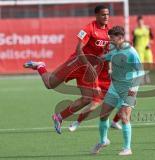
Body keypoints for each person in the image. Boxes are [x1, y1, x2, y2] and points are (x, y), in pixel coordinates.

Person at [23, 5, 121, 134]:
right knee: (49, 84)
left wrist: (109, 67)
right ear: (96, 15)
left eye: (108, 14)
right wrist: (89, 65)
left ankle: (59, 117)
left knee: (87, 98)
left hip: (87, 69)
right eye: (103, 14)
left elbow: (107, 53)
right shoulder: (89, 29)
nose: (106, 17)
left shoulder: (109, 33)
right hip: (77, 63)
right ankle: (40, 66)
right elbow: (78, 50)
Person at [91, 26, 143, 156]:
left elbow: (140, 72)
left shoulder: (131, 52)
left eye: (112, 38)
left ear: (120, 38)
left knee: (124, 117)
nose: (110, 41)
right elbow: (110, 56)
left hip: (128, 89)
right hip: (114, 87)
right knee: (103, 115)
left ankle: (127, 148)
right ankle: (103, 140)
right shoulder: (113, 47)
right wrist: (99, 59)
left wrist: (133, 90)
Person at [133, 15, 153, 83]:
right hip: (139, 48)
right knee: (140, 64)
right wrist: (134, 48)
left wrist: (149, 43)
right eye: (139, 22)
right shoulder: (135, 30)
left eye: (141, 21)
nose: (140, 23)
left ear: (143, 21)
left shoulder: (147, 29)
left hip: (146, 49)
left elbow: (152, 38)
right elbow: (134, 40)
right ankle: (141, 78)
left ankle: (146, 75)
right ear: (137, 22)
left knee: (149, 63)